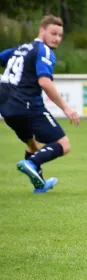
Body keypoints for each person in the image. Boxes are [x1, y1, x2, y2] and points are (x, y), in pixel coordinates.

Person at [0, 14, 80, 193]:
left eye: (60, 35)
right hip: (26, 103)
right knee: (64, 145)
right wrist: (66, 107)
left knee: (32, 144)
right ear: (41, 30)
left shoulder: (20, 49)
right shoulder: (43, 50)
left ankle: (40, 185)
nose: (57, 38)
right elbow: (44, 82)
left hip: (6, 106)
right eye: (53, 33)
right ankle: (32, 162)